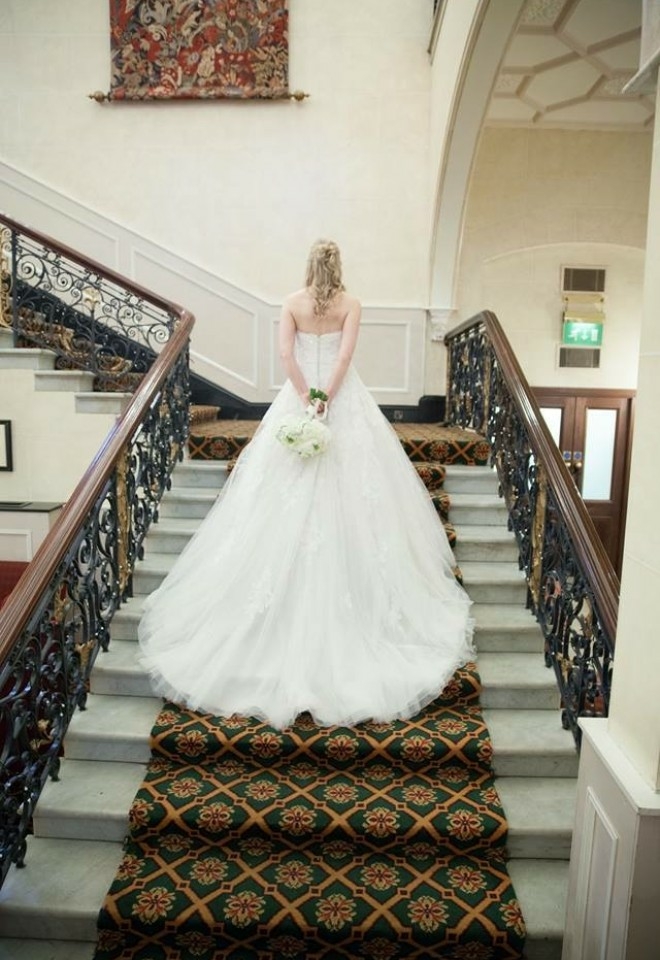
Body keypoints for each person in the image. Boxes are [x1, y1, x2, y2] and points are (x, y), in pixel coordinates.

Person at [138, 240, 474, 729]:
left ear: (309, 266)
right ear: (340, 267)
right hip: (340, 401)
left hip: (297, 401)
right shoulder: (351, 304)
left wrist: (303, 396)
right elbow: (344, 359)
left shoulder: (292, 303)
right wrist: (328, 400)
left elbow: (284, 354)